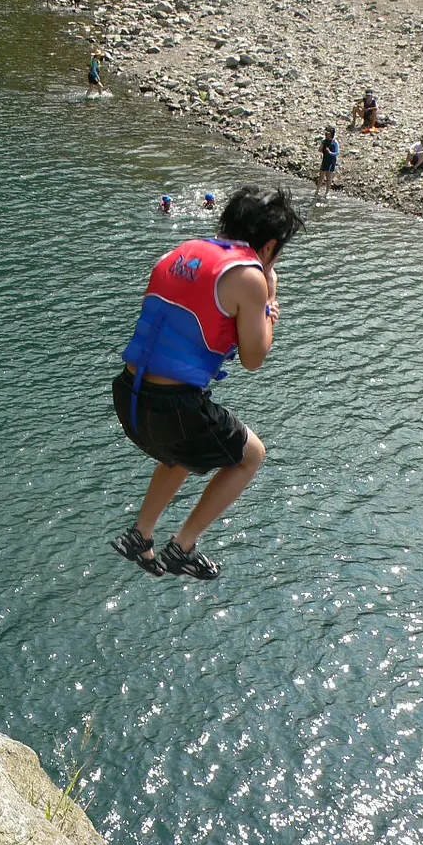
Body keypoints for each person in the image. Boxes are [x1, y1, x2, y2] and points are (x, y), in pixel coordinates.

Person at [111, 186, 303, 580]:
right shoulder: (250, 277)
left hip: (129, 396)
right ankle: (183, 547)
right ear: (269, 246)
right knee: (251, 456)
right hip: (174, 406)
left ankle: (140, 534)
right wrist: (268, 306)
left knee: (185, 451)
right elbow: (253, 359)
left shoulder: (181, 251)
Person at [315, 125, 339, 197]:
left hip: (331, 161)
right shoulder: (324, 141)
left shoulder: (334, 142)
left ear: (331, 134)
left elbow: (337, 153)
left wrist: (330, 153)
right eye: (325, 134)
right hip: (325, 160)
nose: (325, 135)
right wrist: (321, 146)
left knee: (329, 177)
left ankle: (327, 191)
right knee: (321, 176)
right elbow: (320, 150)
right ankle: (317, 190)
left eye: (327, 134)